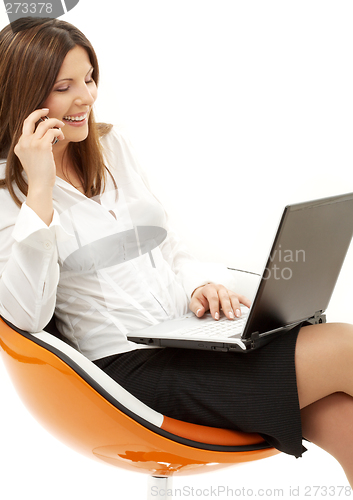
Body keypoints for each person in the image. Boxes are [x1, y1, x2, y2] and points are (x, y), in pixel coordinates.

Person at [1, 17, 353, 486]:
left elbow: (170, 249)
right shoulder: (10, 192)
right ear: (25, 96)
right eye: (64, 86)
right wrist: (40, 188)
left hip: (186, 337)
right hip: (122, 377)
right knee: (347, 347)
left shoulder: (112, 147)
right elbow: (22, 317)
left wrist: (199, 286)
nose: (86, 97)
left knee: (343, 420)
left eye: (88, 78)